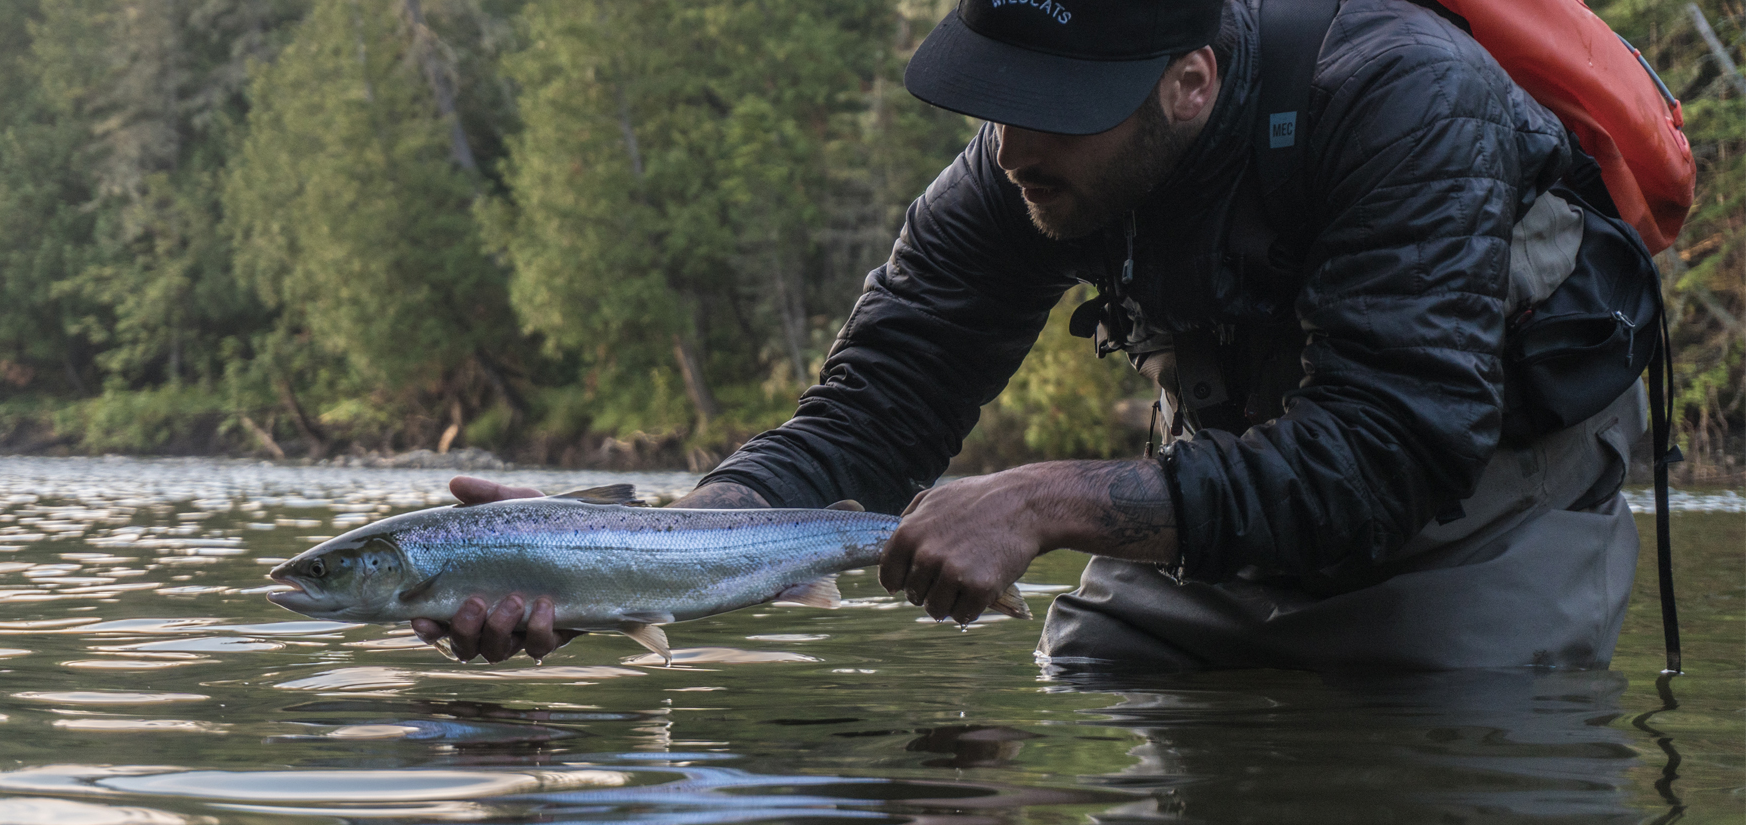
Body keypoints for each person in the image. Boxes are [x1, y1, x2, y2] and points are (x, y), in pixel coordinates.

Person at [416, 0, 1646, 670]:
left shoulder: (1401, 95)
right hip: (1211, 508)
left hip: (1475, 516)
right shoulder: (1017, 180)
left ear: (1192, 82)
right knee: (1093, 681)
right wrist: (603, 555)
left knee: (1448, 745)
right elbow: (860, 429)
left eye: (1057, 112)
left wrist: (1048, 498)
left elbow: (1394, 452)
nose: (1011, 148)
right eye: (998, 100)